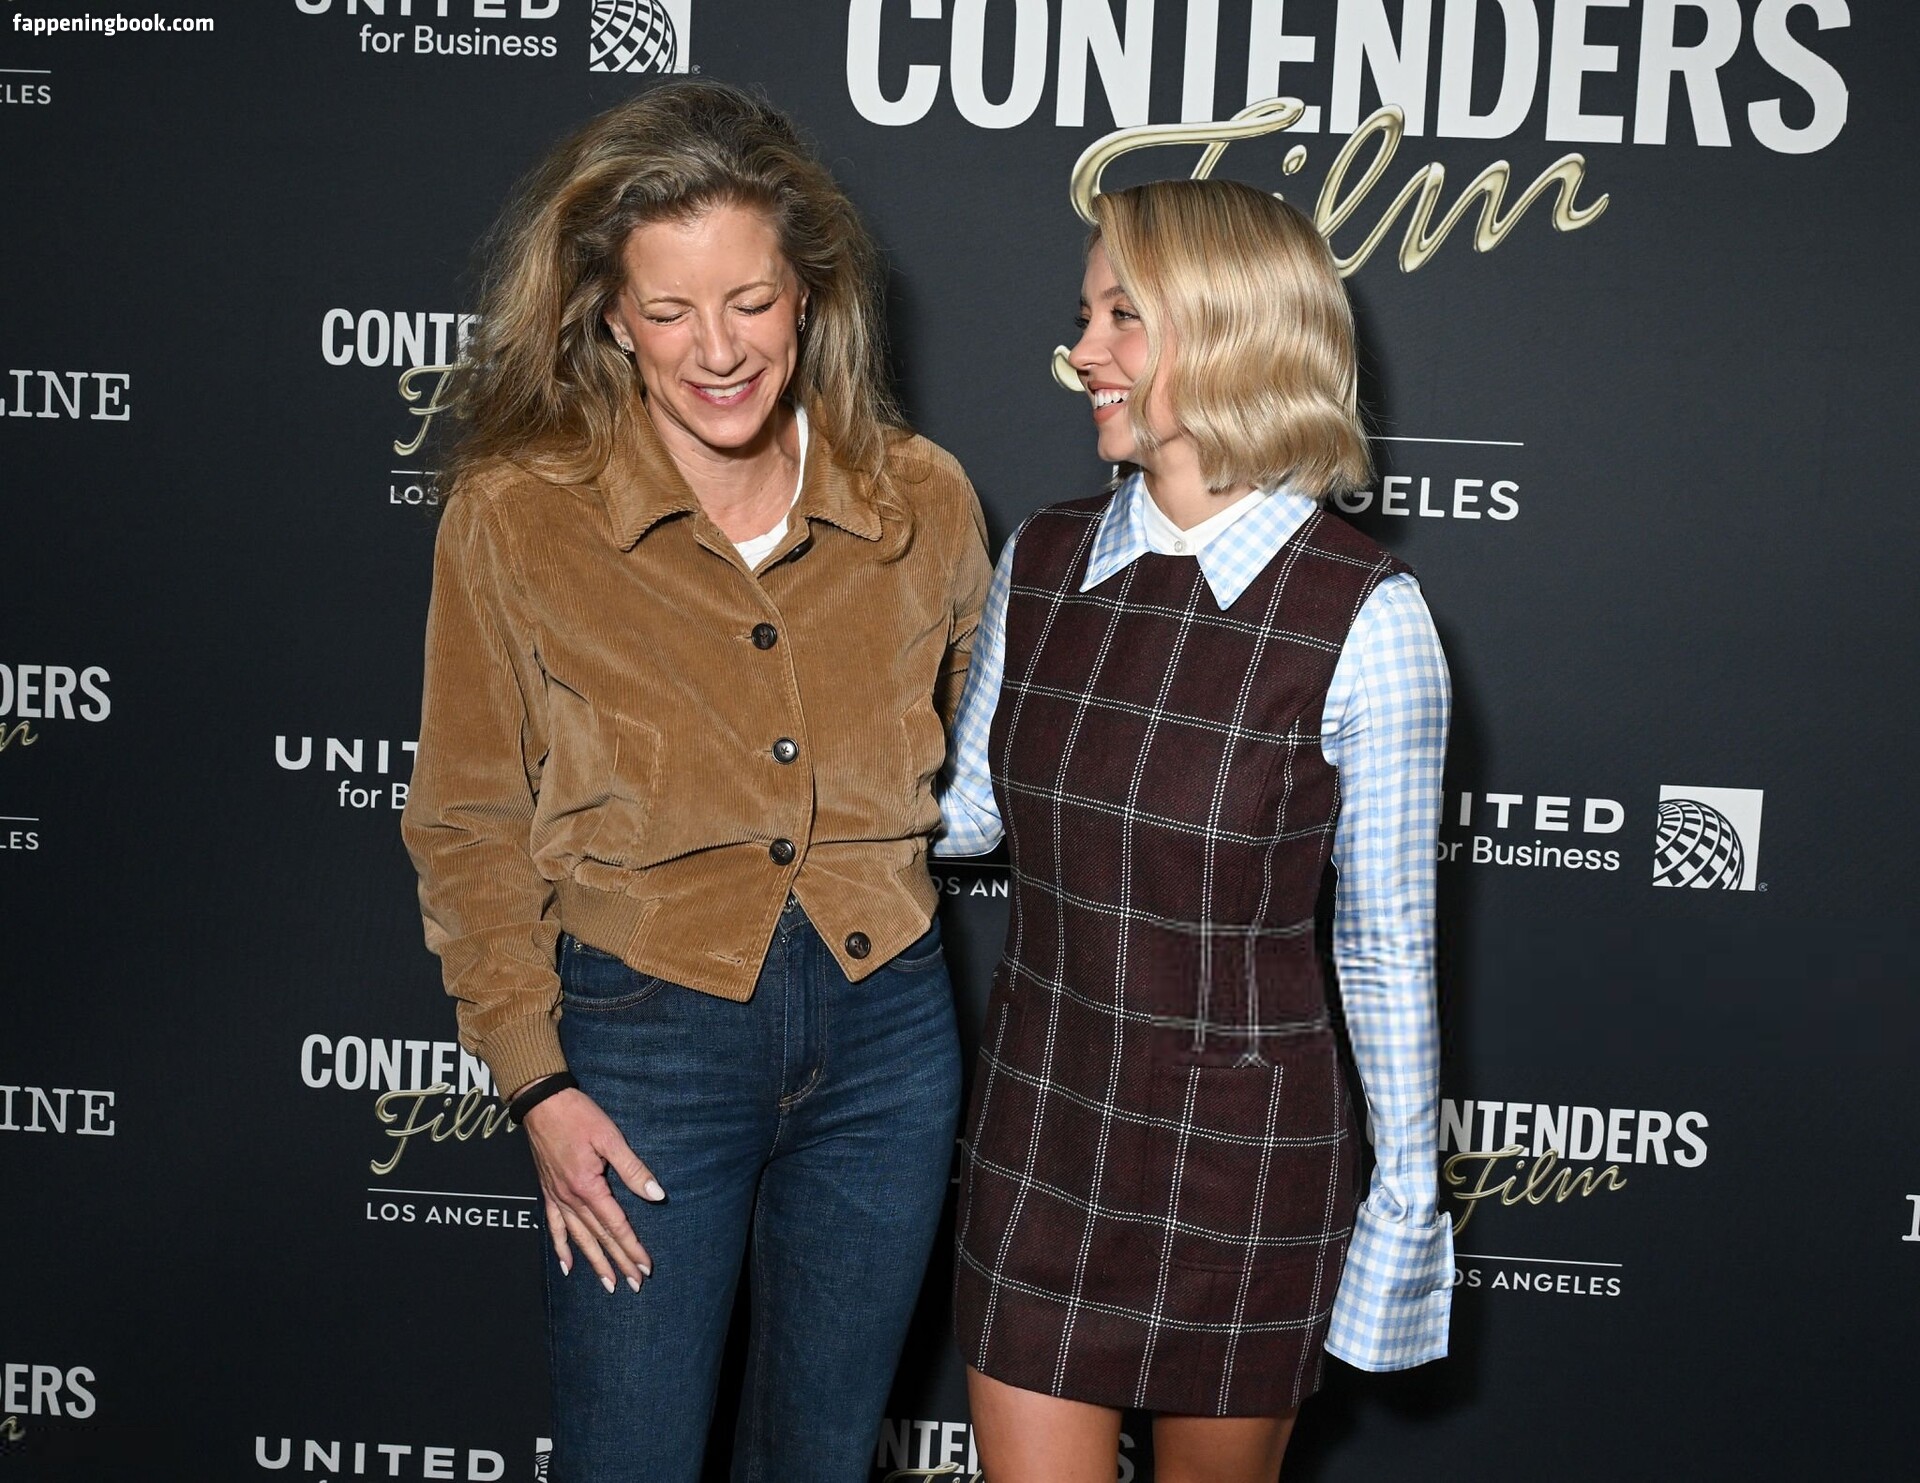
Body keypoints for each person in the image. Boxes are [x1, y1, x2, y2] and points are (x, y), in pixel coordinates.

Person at [401, 82, 991, 1482]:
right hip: (642, 1041)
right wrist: (536, 1083)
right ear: (608, 317)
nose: (718, 351)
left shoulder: (922, 499)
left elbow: (988, 754)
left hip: (889, 1035)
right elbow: (468, 819)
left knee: (823, 1454)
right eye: (668, 312)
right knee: (632, 1456)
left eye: (751, 301)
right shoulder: (519, 516)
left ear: (809, 297)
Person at [935, 178, 1453, 1482]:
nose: (1082, 352)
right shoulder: (1043, 560)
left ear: (1230, 332)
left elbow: (1385, 947)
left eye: (1123, 316)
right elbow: (970, 814)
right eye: (1085, 314)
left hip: (1241, 1164)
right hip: (1041, 1124)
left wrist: (1403, 1210)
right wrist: (759, 786)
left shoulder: (1368, 617)